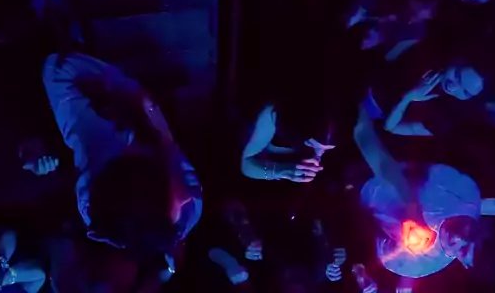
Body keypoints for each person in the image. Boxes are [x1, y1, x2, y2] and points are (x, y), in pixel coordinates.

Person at [42, 52, 202, 257]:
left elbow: (57, 68)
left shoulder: (91, 131)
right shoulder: (188, 209)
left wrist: (129, 91)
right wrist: (157, 121)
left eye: (175, 198)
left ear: (143, 179)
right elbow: (171, 146)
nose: (188, 196)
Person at [354, 106, 495, 278]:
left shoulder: (419, 265)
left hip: (352, 194)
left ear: (464, 264)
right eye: (472, 233)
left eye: (463, 250)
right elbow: (409, 162)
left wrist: (399, 240)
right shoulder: (465, 193)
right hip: (376, 153)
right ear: (486, 227)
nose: (458, 238)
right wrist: (412, 206)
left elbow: (361, 237)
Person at [382, 63, 485, 137]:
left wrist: (408, 97)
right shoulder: (428, 55)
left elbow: (390, 127)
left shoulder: (443, 120)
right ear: (456, 61)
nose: (453, 86)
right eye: (457, 75)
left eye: (465, 92)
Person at [241, 103, 332, 182]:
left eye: (327, 149)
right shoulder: (273, 114)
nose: (319, 154)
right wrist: (282, 171)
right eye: (311, 144)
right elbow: (246, 165)